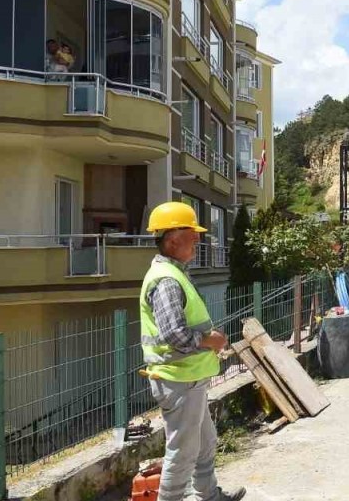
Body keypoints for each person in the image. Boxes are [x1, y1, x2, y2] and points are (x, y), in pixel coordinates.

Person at [140, 202, 245, 501]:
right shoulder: (166, 280)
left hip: (188, 378)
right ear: (173, 239)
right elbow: (175, 334)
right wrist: (211, 340)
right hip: (177, 378)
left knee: (204, 441)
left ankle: (208, 495)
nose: (199, 240)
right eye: (193, 234)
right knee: (183, 452)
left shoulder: (174, 273)